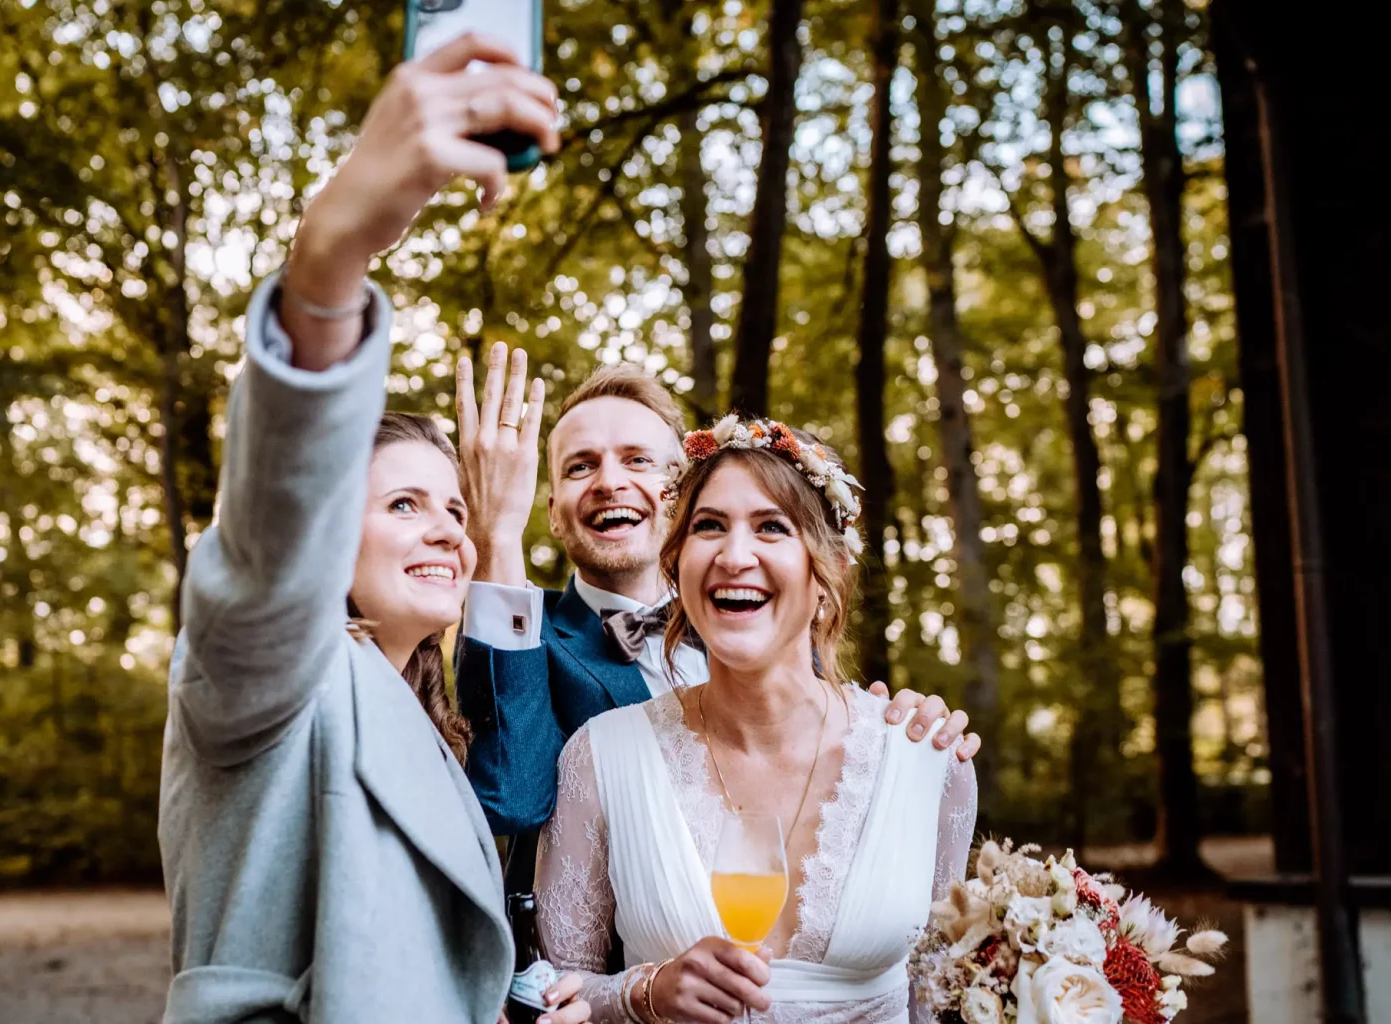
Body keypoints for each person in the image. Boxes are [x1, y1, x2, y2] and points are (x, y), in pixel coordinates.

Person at [157, 34, 593, 1024]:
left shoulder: (431, 722)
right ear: (323, 538)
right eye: (403, 504)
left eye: (452, 508)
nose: (448, 531)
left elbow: (502, 830)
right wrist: (330, 265)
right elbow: (267, 550)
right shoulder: (266, 678)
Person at [533, 416, 978, 1023]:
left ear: (829, 571)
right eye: (709, 526)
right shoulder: (601, 756)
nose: (734, 555)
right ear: (678, 565)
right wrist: (645, 993)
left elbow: (943, 1002)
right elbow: (555, 991)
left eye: (772, 527)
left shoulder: (927, 756)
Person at [454, 353, 982, 840]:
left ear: (683, 497)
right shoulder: (517, 636)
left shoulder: (760, 615)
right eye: (580, 466)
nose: (608, 482)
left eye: (637, 460)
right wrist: (496, 535)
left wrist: (902, 732)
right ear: (550, 510)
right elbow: (512, 803)